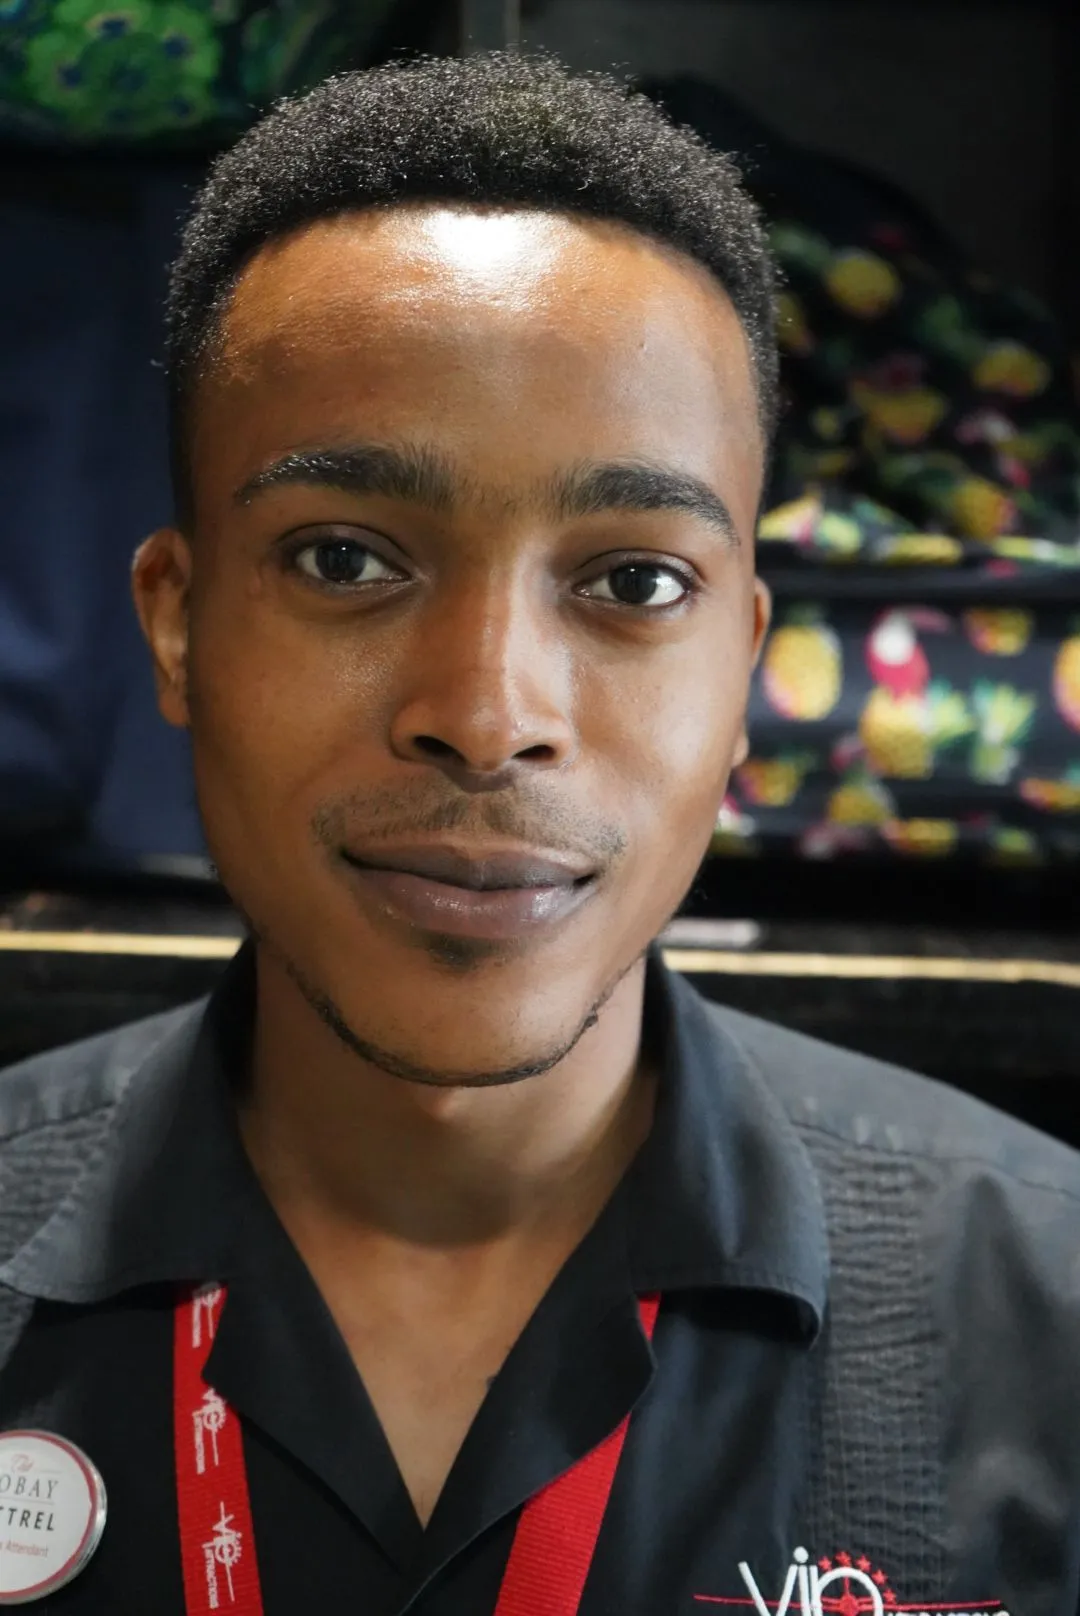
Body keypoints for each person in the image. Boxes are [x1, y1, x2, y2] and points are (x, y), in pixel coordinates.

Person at [0, 51, 1077, 1616]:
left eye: (634, 582)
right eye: (347, 560)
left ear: (746, 665)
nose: (489, 713)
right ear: (177, 625)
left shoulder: (1045, 1313)